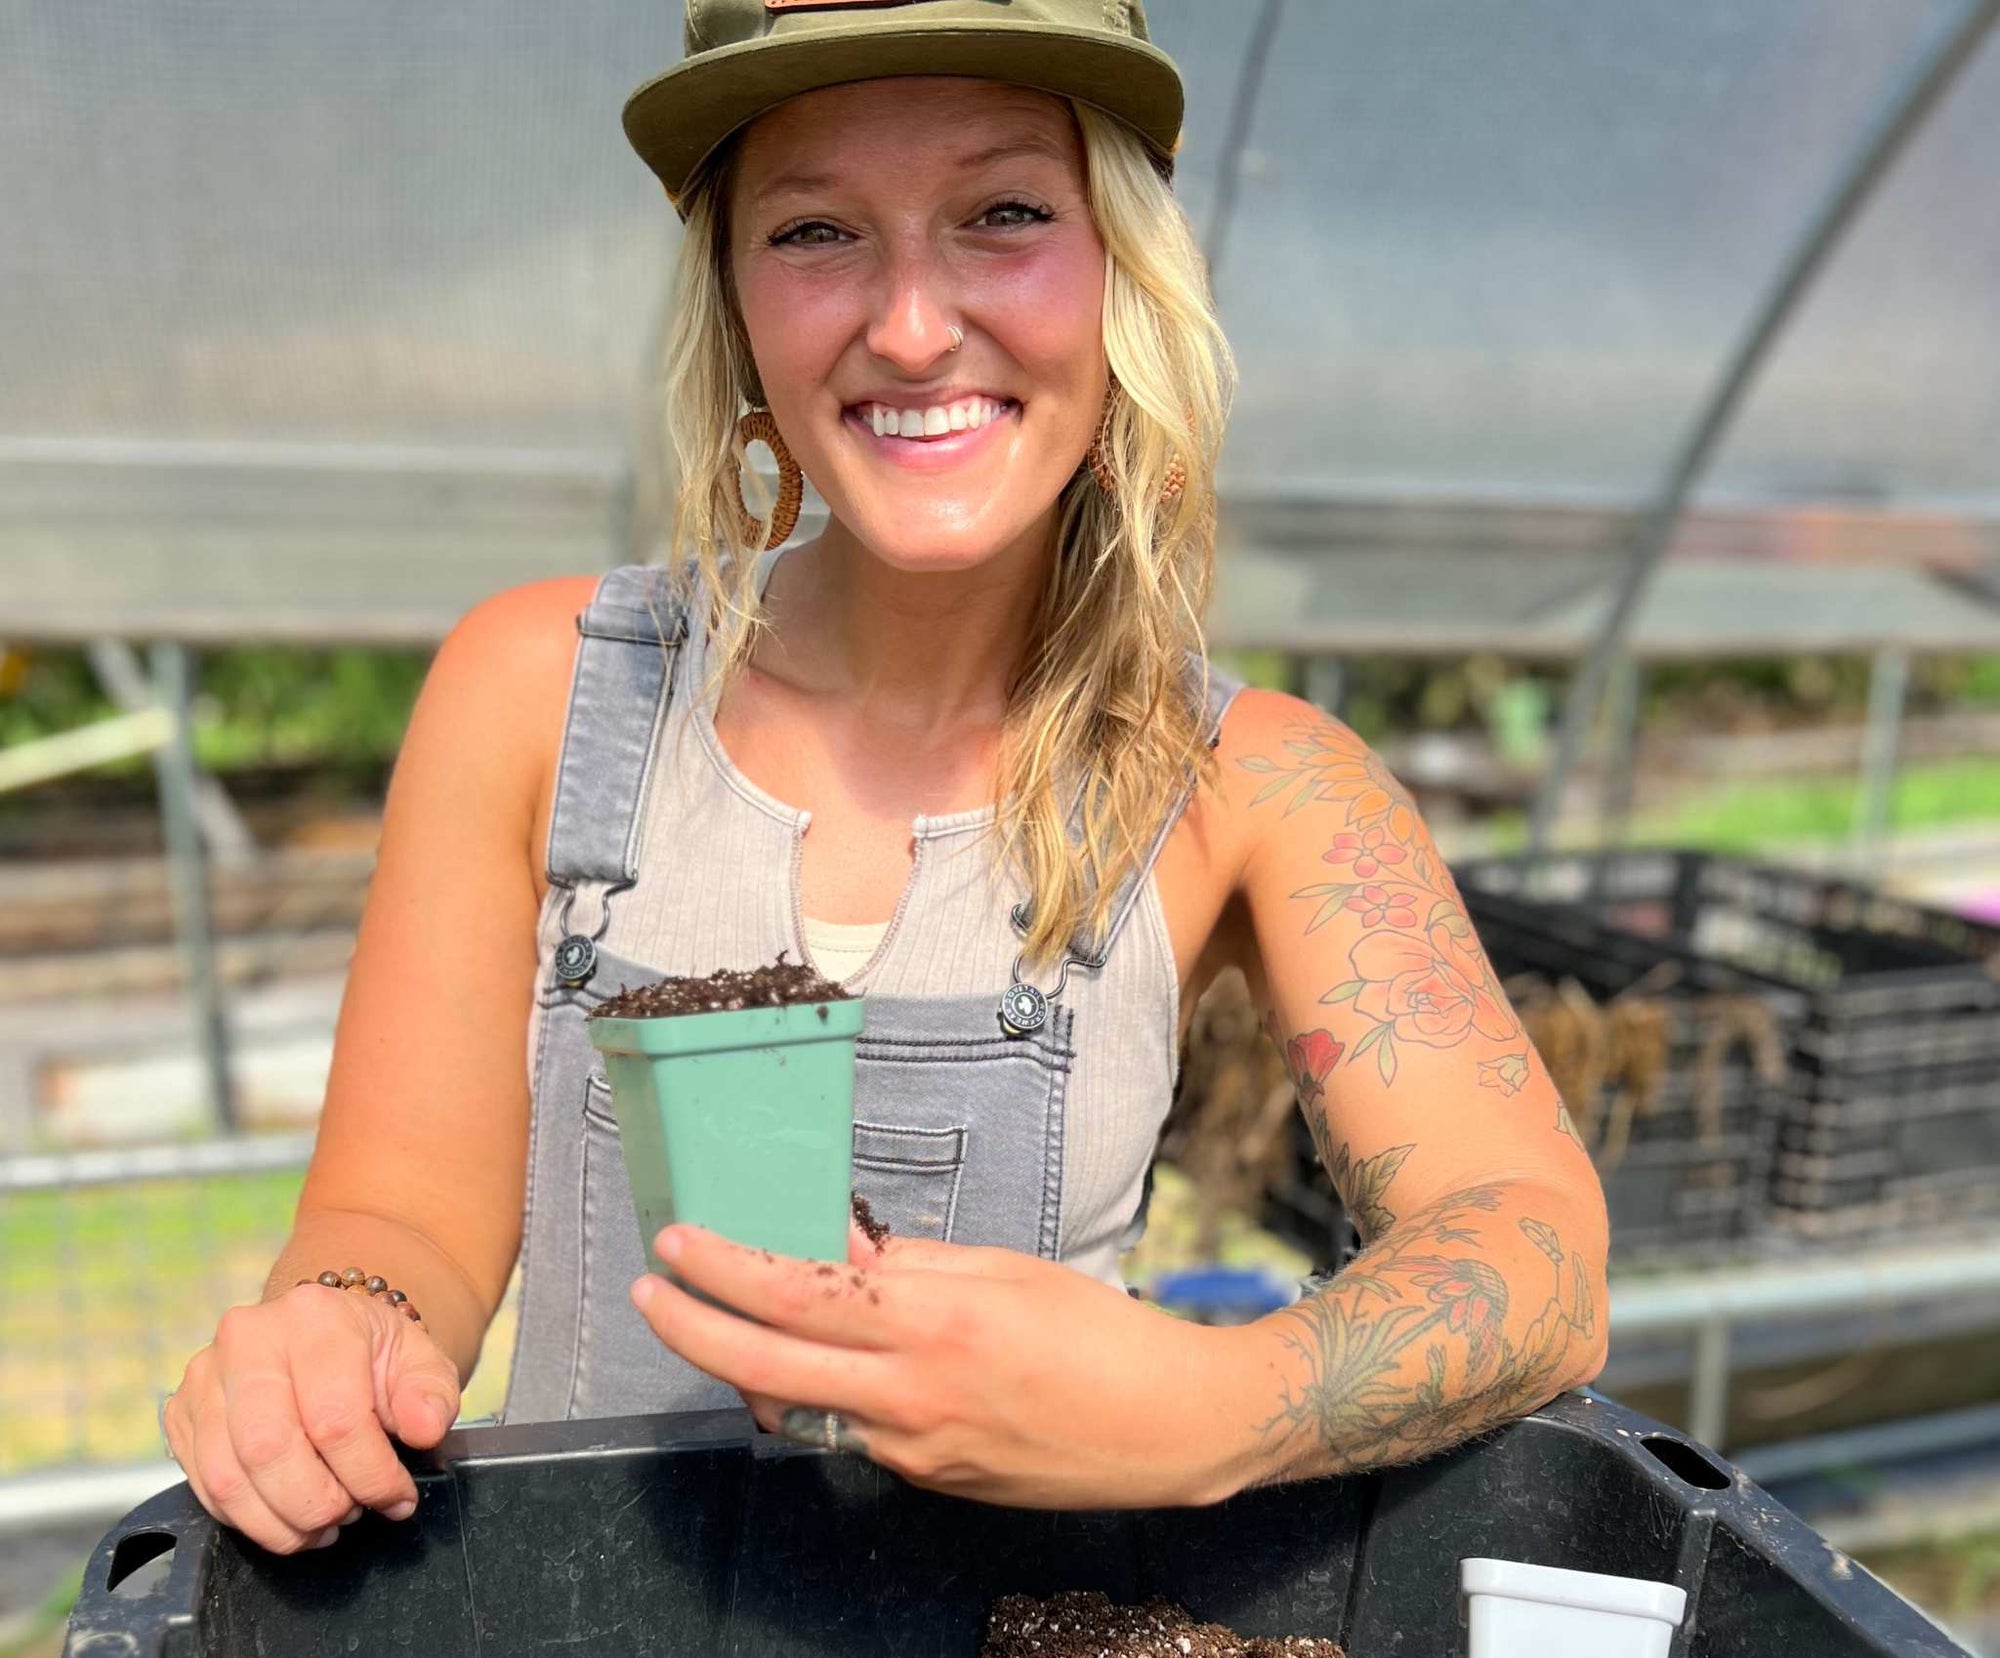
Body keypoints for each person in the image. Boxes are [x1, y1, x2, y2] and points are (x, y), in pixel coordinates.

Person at [164, 0, 1606, 1555]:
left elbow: (1536, 1253)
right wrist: (337, 1332)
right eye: (816, 231)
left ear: (1123, 266)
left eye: (1003, 214)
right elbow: (397, 1225)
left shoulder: (1258, 784)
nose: (912, 325)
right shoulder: (538, 690)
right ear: (734, 297)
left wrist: (1207, 1409)